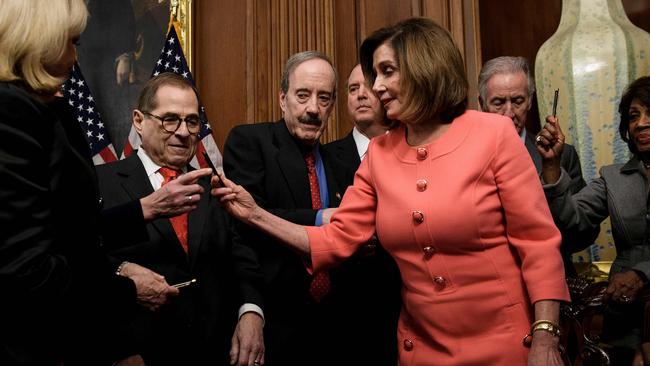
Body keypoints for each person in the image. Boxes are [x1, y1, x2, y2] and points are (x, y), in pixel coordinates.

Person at [214, 18, 569, 365]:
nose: (375, 86)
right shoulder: (379, 154)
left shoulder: (493, 135)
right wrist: (254, 214)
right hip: (422, 347)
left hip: (506, 342)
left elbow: (537, 242)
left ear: (423, 68)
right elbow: (336, 239)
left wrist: (546, 334)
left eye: (387, 72)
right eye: (375, 74)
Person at [0, 1, 187, 364]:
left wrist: (143, 211)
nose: (74, 58)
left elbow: (69, 230)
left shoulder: (47, 111)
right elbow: (27, 270)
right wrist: (126, 291)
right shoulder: (14, 113)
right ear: (39, 42)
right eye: (71, 42)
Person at [96, 72, 266, 366]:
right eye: (170, 119)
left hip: (216, 352)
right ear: (139, 120)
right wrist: (117, 349)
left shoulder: (215, 186)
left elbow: (243, 259)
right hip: (136, 353)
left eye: (191, 121)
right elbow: (78, 260)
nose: (184, 132)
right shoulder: (101, 181)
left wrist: (251, 312)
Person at [222, 51, 361, 366]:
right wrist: (318, 218)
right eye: (303, 95)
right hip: (274, 326)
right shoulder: (250, 142)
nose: (313, 108)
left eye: (324, 98)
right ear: (283, 99)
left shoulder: (342, 164)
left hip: (337, 332)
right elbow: (243, 222)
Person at [537, 75, 650, 365]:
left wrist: (642, 274)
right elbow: (572, 222)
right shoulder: (613, 178)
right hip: (625, 318)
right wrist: (551, 165)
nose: (641, 123)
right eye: (633, 116)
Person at [478, 56, 589, 276]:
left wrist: (552, 173)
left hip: (551, 276)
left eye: (518, 101)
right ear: (481, 104)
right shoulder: (465, 157)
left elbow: (581, 236)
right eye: (499, 102)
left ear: (530, 101)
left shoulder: (562, 156)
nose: (509, 113)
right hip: (490, 281)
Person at [323, 63, 401, 366]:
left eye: (367, 87)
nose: (360, 95)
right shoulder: (325, 156)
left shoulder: (411, 149)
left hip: (407, 300)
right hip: (345, 309)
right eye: (352, 89)